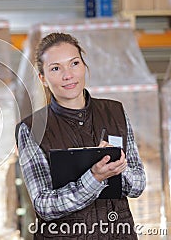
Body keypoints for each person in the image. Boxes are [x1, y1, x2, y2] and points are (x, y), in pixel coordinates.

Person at [15, 32, 146, 239]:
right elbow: (44, 205)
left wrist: (120, 168)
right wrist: (95, 178)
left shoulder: (115, 112)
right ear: (43, 78)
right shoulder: (32, 128)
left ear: (84, 66)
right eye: (56, 68)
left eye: (74, 63)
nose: (68, 75)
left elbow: (138, 185)